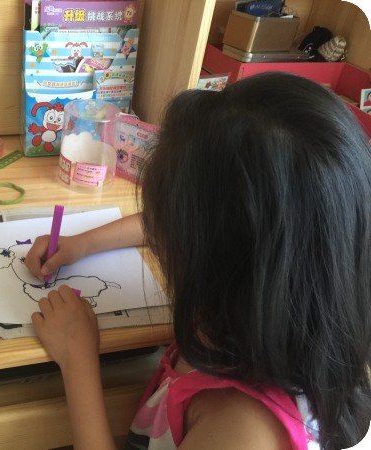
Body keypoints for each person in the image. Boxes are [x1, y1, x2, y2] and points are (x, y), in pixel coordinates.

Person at [26, 72, 371, 450]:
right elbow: (162, 222)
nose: (162, 240)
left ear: (221, 262)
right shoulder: (277, 317)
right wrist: (83, 243)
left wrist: (77, 360)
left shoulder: (242, 433)